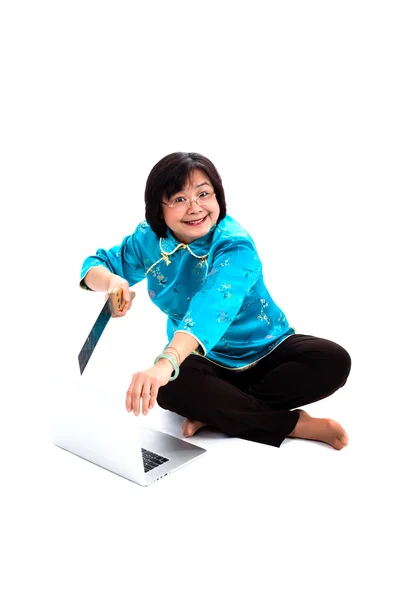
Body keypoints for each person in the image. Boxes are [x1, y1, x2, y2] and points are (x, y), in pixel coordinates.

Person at [80, 152, 351, 450]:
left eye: (204, 194)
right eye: (179, 199)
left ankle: (221, 412)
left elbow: (210, 310)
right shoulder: (149, 239)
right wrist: (112, 281)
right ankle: (291, 424)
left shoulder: (235, 244)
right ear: (159, 208)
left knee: (332, 361)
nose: (195, 208)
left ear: (218, 196)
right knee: (172, 388)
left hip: (266, 350)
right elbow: (96, 264)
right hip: (203, 360)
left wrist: (165, 362)